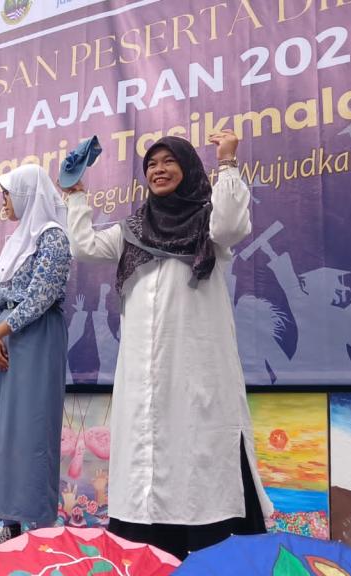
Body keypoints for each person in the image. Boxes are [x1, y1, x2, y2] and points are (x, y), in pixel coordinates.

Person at [61, 131, 273, 559]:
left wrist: (228, 162)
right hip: (142, 374)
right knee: (146, 458)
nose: (158, 169)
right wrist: (77, 195)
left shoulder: (209, 222)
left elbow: (233, 224)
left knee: (198, 454)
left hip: (196, 368)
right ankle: (154, 554)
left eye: (167, 161)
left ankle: (209, 551)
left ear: (188, 167)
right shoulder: (131, 231)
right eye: (151, 164)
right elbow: (82, 246)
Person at [0, 164, 72, 552]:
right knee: (3, 431)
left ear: (29, 193)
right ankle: (10, 526)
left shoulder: (53, 238)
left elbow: (40, 296)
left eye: (8, 194)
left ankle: (39, 529)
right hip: (7, 340)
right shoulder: (15, 241)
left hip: (36, 339)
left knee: (32, 430)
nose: (3, 202)